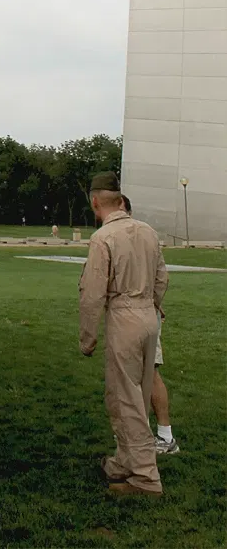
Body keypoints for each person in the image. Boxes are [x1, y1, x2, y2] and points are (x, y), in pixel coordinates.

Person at [78, 171, 168, 496]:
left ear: (95, 202)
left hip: (124, 316)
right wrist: (152, 305)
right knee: (137, 396)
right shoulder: (148, 232)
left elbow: (92, 293)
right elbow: (162, 278)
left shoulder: (103, 238)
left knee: (124, 398)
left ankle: (145, 477)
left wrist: (87, 338)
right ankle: (125, 461)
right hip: (148, 316)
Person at [121, 194, 179, 455]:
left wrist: (151, 303)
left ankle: (165, 436)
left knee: (149, 373)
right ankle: (140, 432)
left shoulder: (131, 238)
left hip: (137, 314)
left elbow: (161, 277)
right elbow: (161, 278)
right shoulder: (145, 236)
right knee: (134, 374)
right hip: (140, 313)